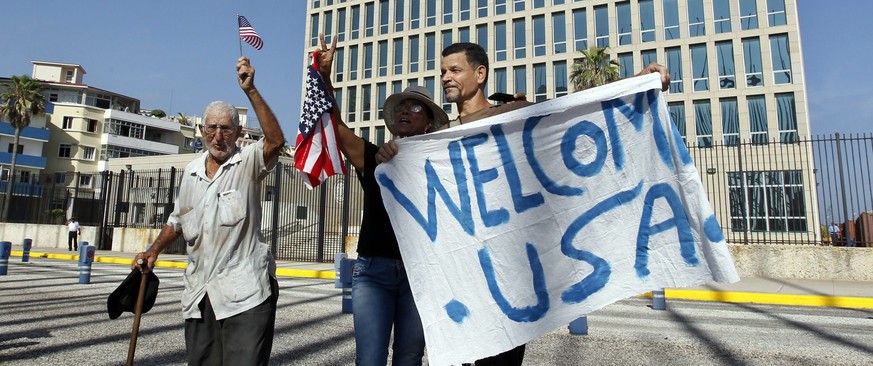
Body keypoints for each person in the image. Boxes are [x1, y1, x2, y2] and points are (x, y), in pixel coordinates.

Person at [375, 42, 671, 365]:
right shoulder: (439, 136)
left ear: (480, 74)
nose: (446, 77)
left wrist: (635, 82)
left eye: (455, 70)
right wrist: (388, 155)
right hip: (464, 285)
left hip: (509, 286)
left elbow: (570, 112)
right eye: (443, 71)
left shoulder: (512, 114)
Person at [131, 56, 284, 365]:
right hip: (200, 294)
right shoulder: (191, 172)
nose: (218, 136)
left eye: (226, 129)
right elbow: (178, 220)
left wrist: (250, 90)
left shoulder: (248, 163)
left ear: (239, 132)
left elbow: (276, 141)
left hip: (246, 294)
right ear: (201, 130)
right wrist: (154, 249)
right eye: (212, 128)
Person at [316, 34, 449, 366]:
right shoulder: (376, 157)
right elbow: (337, 128)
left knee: (409, 358)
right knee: (370, 359)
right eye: (401, 107)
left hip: (422, 273)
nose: (406, 110)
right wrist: (325, 78)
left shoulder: (443, 165)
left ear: (429, 122)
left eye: (414, 107)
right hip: (373, 270)